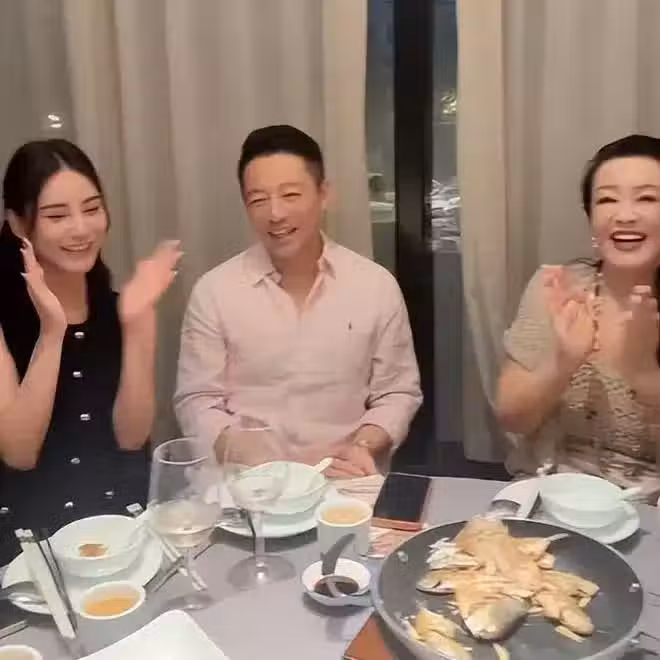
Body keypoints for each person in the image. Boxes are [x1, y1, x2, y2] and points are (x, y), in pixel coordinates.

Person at [175, 124, 421, 478]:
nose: (275, 213)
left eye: (290, 195)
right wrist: (238, 448)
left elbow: (398, 393)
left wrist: (364, 445)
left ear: (324, 195)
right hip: (246, 482)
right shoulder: (214, 291)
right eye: (258, 200)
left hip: (340, 480)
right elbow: (196, 398)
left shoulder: (375, 286)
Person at [0, 139, 181, 564]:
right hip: (33, 550)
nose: (81, 229)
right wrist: (52, 332)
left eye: (92, 208)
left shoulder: (120, 305)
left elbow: (131, 435)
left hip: (124, 532)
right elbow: (19, 452)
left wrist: (137, 321)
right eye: (57, 216)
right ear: (19, 224)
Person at [497, 134, 660, 501]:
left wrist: (645, 374)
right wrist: (563, 362)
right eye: (607, 199)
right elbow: (513, 418)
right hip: (554, 492)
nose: (624, 215)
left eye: (647, 198)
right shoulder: (559, 288)